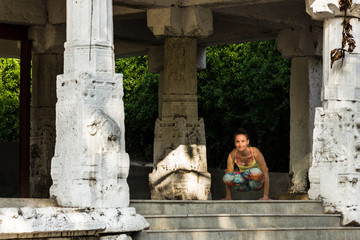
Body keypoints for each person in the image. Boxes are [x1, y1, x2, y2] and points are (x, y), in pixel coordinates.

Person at [222, 128, 270, 200]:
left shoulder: (255, 152)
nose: (240, 144)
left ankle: (238, 173)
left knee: (255, 171)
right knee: (227, 177)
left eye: (243, 141)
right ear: (235, 143)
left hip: (256, 183)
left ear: (247, 142)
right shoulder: (232, 155)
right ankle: (238, 174)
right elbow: (229, 176)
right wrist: (228, 196)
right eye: (237, 142)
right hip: (243, 186)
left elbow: (265, 172)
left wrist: (265, 196)